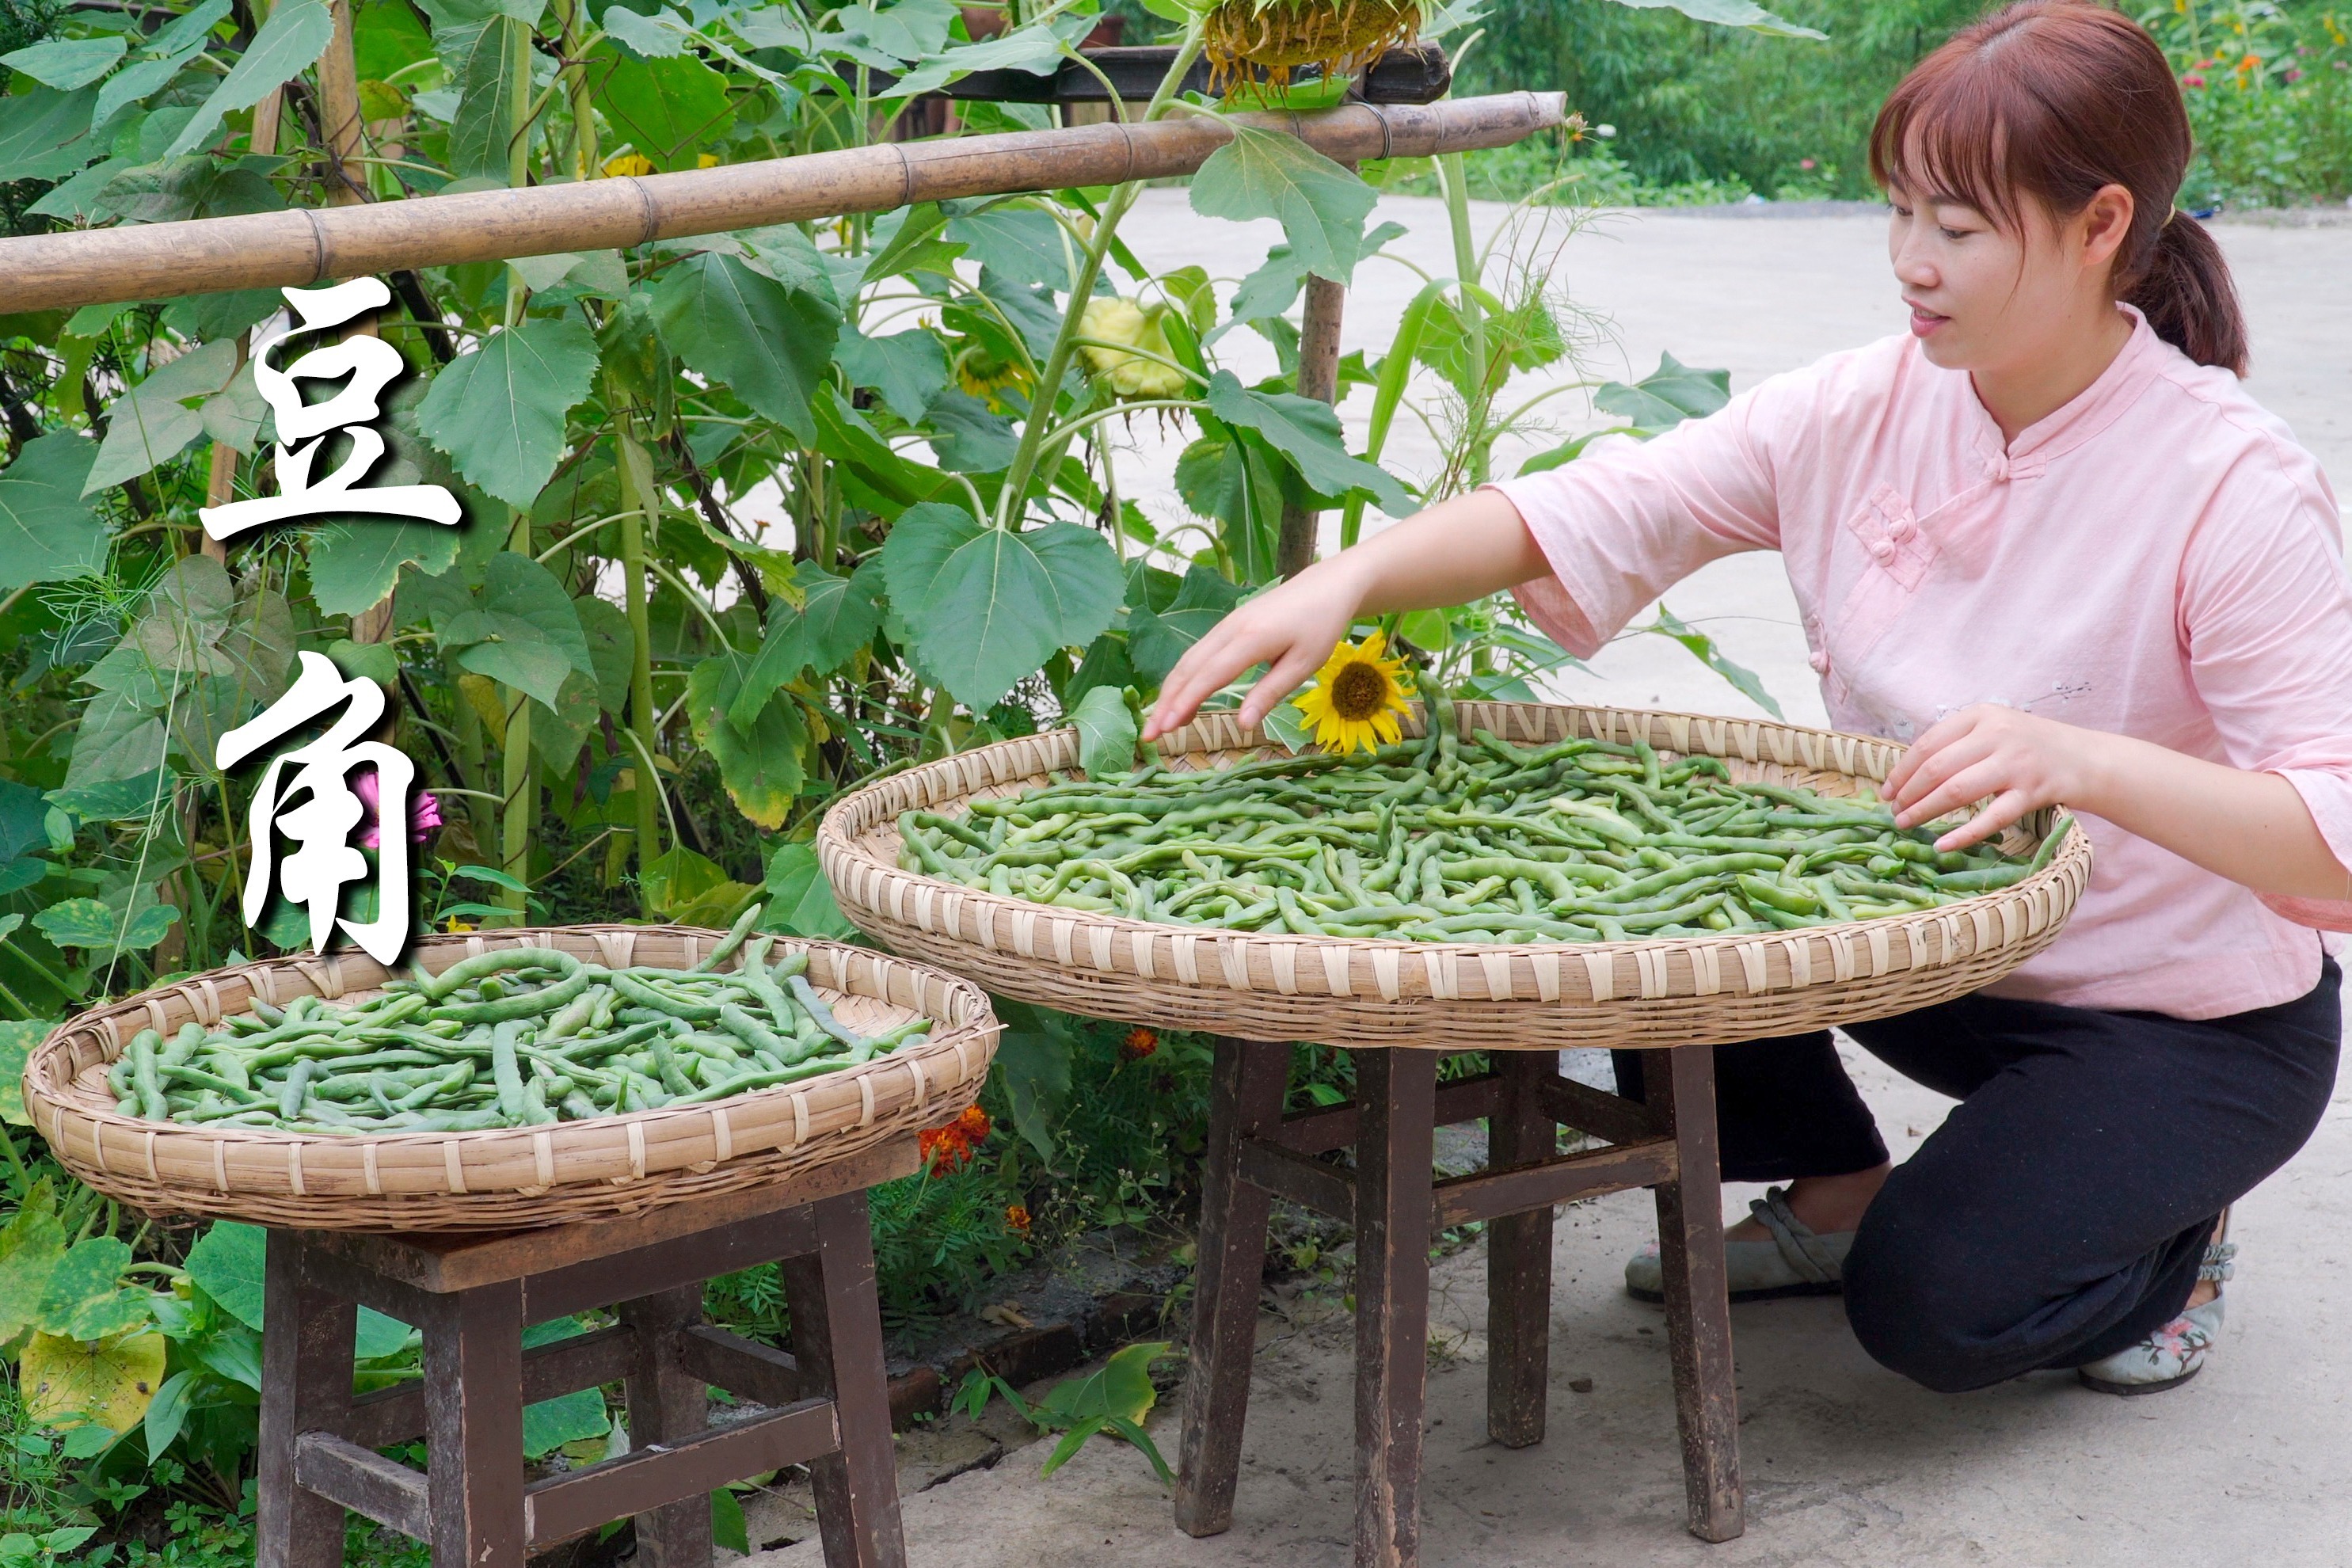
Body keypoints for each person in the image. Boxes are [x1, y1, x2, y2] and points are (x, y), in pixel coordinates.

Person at [1144, 0, 2352, 1396]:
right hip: (1922, 948)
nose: (1911, 265)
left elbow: (2331, 836)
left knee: (1931, 1312)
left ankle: (2168, 1238)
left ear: (2098, 227)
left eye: (1957, 231)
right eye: (1897, 214)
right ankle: (1834, 1186)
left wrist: (2077, 760)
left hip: (2177, 1019)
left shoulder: (2229, 484)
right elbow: (1596, 506)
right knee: (1630, 892)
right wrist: (1350, 583)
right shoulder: (1853, 409)